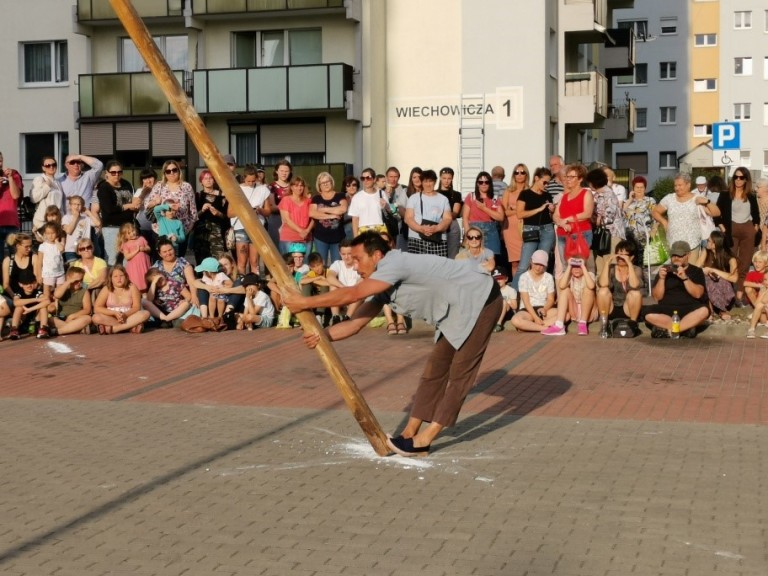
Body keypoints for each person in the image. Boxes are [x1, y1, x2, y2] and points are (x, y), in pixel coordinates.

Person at [283, 231, 503, 458]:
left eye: (358, 259)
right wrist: (322, 335)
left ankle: (425, 438)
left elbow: (353, 294)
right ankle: (409, 434)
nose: (354, 265)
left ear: (377, 255)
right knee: (434, 370)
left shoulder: (394, 263)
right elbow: (355, 324)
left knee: (460, 374)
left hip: (481, 298)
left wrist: (304, 302)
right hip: (456, 310)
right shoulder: (382, 282)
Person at [714, 168, 760, 307]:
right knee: (730, 262)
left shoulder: (751, 196)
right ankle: (728, 294)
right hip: (731, 229)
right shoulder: (725, 194)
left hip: (747, 229)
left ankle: (739, 296)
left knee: (745, 263)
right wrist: (723, 228)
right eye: (736, 177)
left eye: (741, 177)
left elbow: (756, 215)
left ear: (746, 179)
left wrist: (755, 228)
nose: (738, 180)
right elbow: (717, 214)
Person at [645, 240, 709, 338]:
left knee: (704, 311)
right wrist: (662, 279)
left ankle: (671, 330)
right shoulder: (664, 271)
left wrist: (685, 278)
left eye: (680, 256)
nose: (676, 258)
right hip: (667, 309)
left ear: (688, 255)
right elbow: (657, 297)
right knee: (647, 313)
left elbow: (698, 294)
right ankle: (685, 329)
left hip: (689, 309)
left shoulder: (696, 271)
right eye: (673, 255)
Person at [653, 172, 720, 263]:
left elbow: (716, 213)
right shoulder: (669, 198)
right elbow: (655, 211)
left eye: (680, 185)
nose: (677, 188)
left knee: (691, 272)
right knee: (676, 272)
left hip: (692, 244)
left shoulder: (697, 199)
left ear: (688, 185)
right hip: (674, 244)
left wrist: (707, 202)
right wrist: (664, 222)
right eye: (675, 185)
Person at [144, 160, 197, 257]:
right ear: (164, 173)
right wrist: (156, 202)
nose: (171, 173)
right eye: (168, 171)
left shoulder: (186, 187)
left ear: (179, 171)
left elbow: (193, 210)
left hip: (181, 231)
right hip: (161, 231)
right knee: (160, 262)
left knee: (178, 260)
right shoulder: (159, 186)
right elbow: (147, 204)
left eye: (174, 170)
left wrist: (188, 229)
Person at [513, 167, 555, 290]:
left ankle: (540, 294)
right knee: (524, 265)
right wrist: (539, 209)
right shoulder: (525, 194)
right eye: (545, 182)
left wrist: (552, 211)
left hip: (547, 230)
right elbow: (519, 214)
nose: (546, 185)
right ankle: (514, 296)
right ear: (536, 178)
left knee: (542, 264)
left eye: (548, 183)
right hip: (530, 230)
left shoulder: (547, 195)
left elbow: (551, 216)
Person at [230, 164, 273, 275]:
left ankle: (255, 285)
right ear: (244, 177)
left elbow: (268, 211)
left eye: (253, 181)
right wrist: (244, 211)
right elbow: (229, 213)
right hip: (241, 227)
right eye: (248, 181)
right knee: (242, 261)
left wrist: (259, 210)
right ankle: (242, 286)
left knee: (254, 262)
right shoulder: (236, 189)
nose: (251, 183)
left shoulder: (263, 189)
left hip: (257, 227)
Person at [97, 160, 139, 265]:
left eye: (119, 172)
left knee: (128, 257)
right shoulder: (104, 188)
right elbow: (109, 209)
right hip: (112, 228)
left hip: (128, 227)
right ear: (107, 173)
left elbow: (133, 200)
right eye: (113, 172)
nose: (116, 174)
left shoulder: (127, 183)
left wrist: (135, 205)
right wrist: (127, 206)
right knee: (112, 257)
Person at [541, 256, 597, 336]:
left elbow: (591, 286)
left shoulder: (589, 274)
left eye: (579, 267)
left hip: (589, 313)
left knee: (588, 289)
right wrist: (569, 266)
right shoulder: (570, 276)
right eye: (574, 267)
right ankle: (559, 325)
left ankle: (583, 323)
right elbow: (561, 285)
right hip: (575, 311)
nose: (576, 270)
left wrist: (583, 266)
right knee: (565, 290)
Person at [553, 164, 594, 270]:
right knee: (566, 268)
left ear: (580, 179)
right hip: (562, 235)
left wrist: (567, 219)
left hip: (580, 234)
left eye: (571, 177)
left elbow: (587, 214)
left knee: (581, 267)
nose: (568, 180)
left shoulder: (586, 193)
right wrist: (562, 223)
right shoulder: (564, 197)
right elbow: (555, 215)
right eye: (567, 177)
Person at [586, 167, 626, 274]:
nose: (588, 184)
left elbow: (609, 217)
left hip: (612, 235)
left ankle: (609, 290)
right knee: (600, 266)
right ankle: (600, 289)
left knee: (610, 266)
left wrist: (596, 219)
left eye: (589, 182)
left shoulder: (609, 194)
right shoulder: (598, 195)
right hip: (601, 236)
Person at [404, 169, 452, 256]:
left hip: (438, 238)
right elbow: (408, 218)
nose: (428, 184)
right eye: (425, 181)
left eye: (430, 181)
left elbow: (447, 219)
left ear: (435, 181)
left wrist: (437, 228)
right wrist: (421, 228)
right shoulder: (413, 198)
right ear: (421, 182)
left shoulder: (443, 199)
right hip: (416, 238)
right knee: (416, 268)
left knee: (438, 268)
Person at [596, 240, 644, 323]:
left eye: (624, 256)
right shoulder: (611, 268)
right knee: (603, 291)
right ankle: (604, 324)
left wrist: (629, 264)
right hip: (611, 307)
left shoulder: (636, 269)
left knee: (635, 293)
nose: (620, 258)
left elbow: (635, 285)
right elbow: (602, 284)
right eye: (618, 255)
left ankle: (633, 324)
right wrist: (607, 263)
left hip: (628, 309)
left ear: (632, 257)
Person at [92, 264, 150, 334]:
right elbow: (97, 308)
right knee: (96, 317)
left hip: (128, 317)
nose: (119, 278)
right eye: (115, 276)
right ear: (111, 278)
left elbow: (136, 307)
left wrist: (125, 315)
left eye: (121, 275)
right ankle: (130, 327)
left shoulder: (132, 287)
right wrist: (114, 313)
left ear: (126, 276)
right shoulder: (106, 289)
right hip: (111, 317)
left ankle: (114, 329)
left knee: (145, 314)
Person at [509, 249, 557, 332]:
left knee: (565, 315)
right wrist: (535, 317)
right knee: (515, 320)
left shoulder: (548, 277)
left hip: (544, 309)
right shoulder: (524, 277)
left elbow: (550, 299)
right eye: (536, 264)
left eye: (541, 265)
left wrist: (545, 309)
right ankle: (545, 328)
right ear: (531, 261)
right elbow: (526, 301)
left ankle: (531, 326)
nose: (538, 268)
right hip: (528, 310)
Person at [696, 230, 737, 320]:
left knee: (719, 281)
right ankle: (710, 310)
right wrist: (707, 271)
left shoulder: (729, 258)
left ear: (715, 244)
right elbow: (697, 268)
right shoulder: (707, 251)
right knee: (706, 279)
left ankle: (722, 310)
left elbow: (734, 278)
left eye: (709, 240)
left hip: (724, 290)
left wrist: (713, 270)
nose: (707, 241)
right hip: (709, 286)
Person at [462, 171, 504, 256]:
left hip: (491, 232)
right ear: (477, 184)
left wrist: (484, 208)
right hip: (474, 232)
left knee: (490, 258)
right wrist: (468, 235)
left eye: (486, 182)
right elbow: (465, 218)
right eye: (481, 182)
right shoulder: (471, 196)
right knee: (474, 258)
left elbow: (501, 217)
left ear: (490, 184)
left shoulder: (494, 199)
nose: (484, 184)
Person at [310, 171, 348, 265]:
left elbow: (343, 209)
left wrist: (322, 209)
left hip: (338, 237)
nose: (326, 184)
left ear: (332, 182)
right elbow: (312, 213)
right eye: (323, 183)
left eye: (328, 181)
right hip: (321, 237)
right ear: (319, 185)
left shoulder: (340, 196)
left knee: (337, 264)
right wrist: (332, 215)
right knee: (321, 265)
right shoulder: (316, 198)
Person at [193, 169, 229, 263]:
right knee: (202, 261)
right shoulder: (197, 196)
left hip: (217, 234)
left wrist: (218, 213)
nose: (208, 180)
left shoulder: (222, 196)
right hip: (201, 233)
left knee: (219, 261)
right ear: (201, 182)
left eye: (210, 178)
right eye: (205, 178)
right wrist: (202, 210)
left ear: (214, 180)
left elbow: (227, 216)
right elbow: (193, 216)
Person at [152, 236, 199, 308]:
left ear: (174, 249)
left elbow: (191, 282)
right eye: (164, 252)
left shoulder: (183, 263)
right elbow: (151, 283)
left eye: (170, 250)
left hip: (180, 302)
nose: (168, 253)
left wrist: (194, 297)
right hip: (160, 302)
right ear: (160, 254)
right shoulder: (156, 266)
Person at [7, 270, 50, 340]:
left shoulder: (37, 292)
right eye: (26, 283)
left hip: (36, 320)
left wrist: (29, 309)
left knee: (43, 307)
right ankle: (14, 329)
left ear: (35, 282)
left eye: (31, 282)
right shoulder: (19, 293)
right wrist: (36, 299)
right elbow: (16, 302)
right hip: (23, 321)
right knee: (19, 307)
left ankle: (43, 329)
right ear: (20, 284)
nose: (29, 285)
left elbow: (47, 301)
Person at [327, 238, 362, 325]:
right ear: (339, 254)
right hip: (344, 295)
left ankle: (348, 317)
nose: (346, 257)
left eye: (349, 254)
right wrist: (343, 287)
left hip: (356, 297)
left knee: (360, 289)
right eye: (343, 254)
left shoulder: (360, 264)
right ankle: (335, 316)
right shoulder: (337, 264)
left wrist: (350, 289)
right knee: (333, 285)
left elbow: (363, 280)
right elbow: (329, 277)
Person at [51, 266, 93, 336]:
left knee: (87, 318)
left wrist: (72, 316)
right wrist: (68, 282)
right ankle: (75, 329)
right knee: (50, 319)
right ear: (68, 278)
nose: (79, 283)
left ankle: (59, 331)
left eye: (81, 280)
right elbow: (57, 295)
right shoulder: (62, 288)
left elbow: (87, 310)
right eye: (76, 281)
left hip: (75, 318)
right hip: (61, 318)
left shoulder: (84, 292)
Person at [501, 163, 527, 276]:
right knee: (515, 262)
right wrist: (520, 210)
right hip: (510, 229)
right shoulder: (508, 191)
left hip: (526, 227)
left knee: (527, 260)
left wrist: (514, 208)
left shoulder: (529, 191)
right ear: (513, 175)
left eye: (522, 172)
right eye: (516, 172)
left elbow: (531, 210)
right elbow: (504, 212)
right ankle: (516, 289)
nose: (519, 175)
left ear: (526, 174)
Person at [278, 176, 314, 256]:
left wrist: (307, 231)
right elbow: (287, 219)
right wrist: (301, 231)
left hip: (306, 237)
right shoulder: (286, 200)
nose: (299, 188)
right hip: (289, 237)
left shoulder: (309, 201)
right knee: (289, 264)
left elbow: (314, 218)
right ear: (291, 187)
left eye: (301, 185)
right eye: (296, 185)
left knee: (305, 265)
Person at [348, 167, 387, 237]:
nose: (365, 180)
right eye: (363, 178)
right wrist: (355, 237)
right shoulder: (357, 197)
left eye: (368, 178)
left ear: (374, 179)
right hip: (363, 231)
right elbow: (355, 219)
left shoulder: (382, 193)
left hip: (380, 229)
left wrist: (386, 206)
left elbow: (389, 212)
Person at [622, 176, 656, 255]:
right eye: (637, 187)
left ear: (645, 188)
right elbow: (621, 214)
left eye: (641, 187)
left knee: (643, 261)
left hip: (644, 236)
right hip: (629, 236)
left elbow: (655, 217)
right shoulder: (627, 201)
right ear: (633, 188)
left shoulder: (650, 201)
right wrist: (630, 199)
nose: (639, 189)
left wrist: (653, 230)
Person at [30, 155, 65, 233]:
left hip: (56, 222)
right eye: (48, 165)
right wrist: (47, 186)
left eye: (53, 165)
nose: (51, 167)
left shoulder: (57, 182)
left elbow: (60, 203)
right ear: (43, 168)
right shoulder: (39, 179)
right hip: (43, 221)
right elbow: (33, 198)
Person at [61, 195, 98, 264]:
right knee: (75, 271)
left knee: (84, 271)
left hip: (85, 249)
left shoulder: (86, 218)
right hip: (71, 250)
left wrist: (88, 212)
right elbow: (69, 231)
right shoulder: (66, 217)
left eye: (79, 204)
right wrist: (75, 217)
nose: (77, 206)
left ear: (82, 206)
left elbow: (98, 223)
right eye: (74, 204)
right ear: (70, 206)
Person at [435, 167, 463, 259]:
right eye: (444, 178)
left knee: (453, 255)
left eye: (449, 178)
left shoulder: (456, 194)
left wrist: (441, 213)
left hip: (452, 225)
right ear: (440, 178)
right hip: (437, 224)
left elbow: (455, 213)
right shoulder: (434, 193)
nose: (446, 181)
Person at [0, 151, 23, 259]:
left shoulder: (14, 174)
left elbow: (15, 195)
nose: (0, 164)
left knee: (15, 256)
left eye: (0, 160)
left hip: (11, 222)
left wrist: (10, 178)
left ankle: (13, 276)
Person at [117, 222, 151, 292]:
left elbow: (149, 248)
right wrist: (136, 251)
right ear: (125, 236)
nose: (132, 233)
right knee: (137, 283)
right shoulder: (126, 244)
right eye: (129, 233)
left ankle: (147, 295)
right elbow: (127, 257)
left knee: (146, 281)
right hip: (135, 268)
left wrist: (143, 249)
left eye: (133, 231)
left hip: (144, 265)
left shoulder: (141, 238)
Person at [37, 222, 66, 299]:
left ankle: (57, 308)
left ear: (57, 233)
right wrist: (39, 275)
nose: (50, 235)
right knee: (47, 295)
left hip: (60, 273)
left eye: (53, 233)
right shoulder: (43, 246)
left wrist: (56, 241)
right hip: (48, 274)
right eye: (48, 233)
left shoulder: (59, 244)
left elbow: (62, 249)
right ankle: (46, 309)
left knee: (59, 295)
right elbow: (39, 262)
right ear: (45, 234)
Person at [267, 159, 292, 249]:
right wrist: (285, 208)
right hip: (276, 219)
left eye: (286, 171)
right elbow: (272, 206)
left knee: (289, 247)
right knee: (276, 247)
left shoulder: (293, 186)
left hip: (291, 219)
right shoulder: (272, 186)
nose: (284, 173)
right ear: (277, 171)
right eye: (282, 171)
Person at [134, 167, 159, 255]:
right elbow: (135, 205)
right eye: (145, 178)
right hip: (143, 227)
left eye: (150, 177)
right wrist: (144, 192)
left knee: (157, 253)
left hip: (158, 228)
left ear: (155, 178)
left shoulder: (160, 190)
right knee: (145, 253)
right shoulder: (140, 191)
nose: (148, 180)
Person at [492, 268, 517, 332]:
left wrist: (506, 302)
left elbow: (515, 306)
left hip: (508, 313)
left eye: (500, 278)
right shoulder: (493, 291)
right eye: (496, 279)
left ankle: (499, 324)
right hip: (497, 312)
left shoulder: (510, 290)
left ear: (506, 279)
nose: (498, 281)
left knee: (503, 302)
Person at [745, 272, 768, 339]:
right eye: (765, 279)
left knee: (766, 306)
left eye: (767, 280)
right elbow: (757, 304)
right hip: (765, 318)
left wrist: (765, 292)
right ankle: (751, 329)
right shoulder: (764, 289)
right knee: (759, 306)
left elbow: (765, 300)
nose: (765, 282)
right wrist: (763, 292)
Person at [341, 175, 360, 240]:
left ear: (357, 187)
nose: (351, 187)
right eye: (348, 185)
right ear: (345, 188)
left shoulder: (362, 197)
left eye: (354, 185)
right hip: (346, 228)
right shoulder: (342, 199)